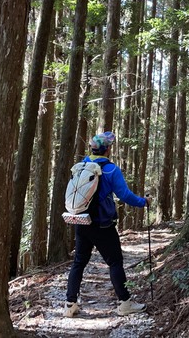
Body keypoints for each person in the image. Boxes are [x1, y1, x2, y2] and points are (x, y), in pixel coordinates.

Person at [64, 131, 151, 317]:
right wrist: (144, 202)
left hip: (81, 221)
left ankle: (70, 304)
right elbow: (125, 196)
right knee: (115, 262)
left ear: (92, 149)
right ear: (108, 149)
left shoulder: (81, 166)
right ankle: (125, 303)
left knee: (79, 262)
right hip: (102, 225)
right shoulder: (111, 170)